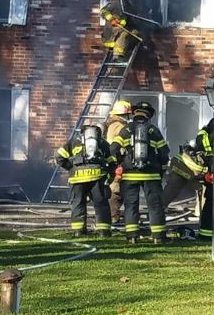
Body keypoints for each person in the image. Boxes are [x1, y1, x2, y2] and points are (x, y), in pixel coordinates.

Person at [108, 100, 168, 242]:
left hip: (129, 175)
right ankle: (158, 237)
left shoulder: (126, 129)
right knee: (155, 206)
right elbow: (164, 152)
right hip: (151, 175)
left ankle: (132, 237)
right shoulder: (153, 130)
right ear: (148, 116)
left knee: (131, 206)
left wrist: (119, 161)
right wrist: (160, 170)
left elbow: (113, 148)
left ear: (135, 114)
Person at [56, 121, 114, 236]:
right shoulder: (102, 143)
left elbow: (59, 156)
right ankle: (103, 231)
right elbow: (112, 161)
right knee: (100, 203)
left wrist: (71, 167)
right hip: (97, 177)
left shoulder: (74, 142)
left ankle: (79, 231)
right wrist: (109, 175)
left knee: (78, 203)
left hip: (77, 179)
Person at [104, 100, 131, 227]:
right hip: (117, 161)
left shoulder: (113, 124)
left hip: (115, 161)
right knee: (116, 190)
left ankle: (113, 216)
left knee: (117, 189)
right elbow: (114, 145)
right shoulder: (118, 126)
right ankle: (113, 217)